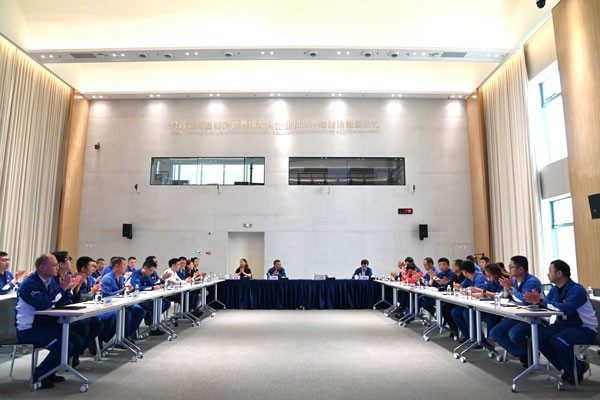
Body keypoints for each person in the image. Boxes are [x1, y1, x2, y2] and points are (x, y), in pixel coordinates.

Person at [524, 260, 598, 385]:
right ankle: (569, 367)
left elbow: (564, 309)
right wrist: (536, 301)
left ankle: (576, 368)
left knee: (557, 340)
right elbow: (548, 305)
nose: (547, 274)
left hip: (584, 328)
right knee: (538, 338)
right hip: (562, 325)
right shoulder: (555, 290)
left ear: (559, 274)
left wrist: (542, 301)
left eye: (550, 271)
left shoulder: (577, 290)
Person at [15, 253, 73, 389]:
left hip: (45, 324)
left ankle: (50, 372)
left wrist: (66, 290)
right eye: (54, 265)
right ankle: (39, 375)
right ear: (42, 267)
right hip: (29, 329)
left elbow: (59, 302)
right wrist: (61, 289)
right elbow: (43, 304)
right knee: (64, 345)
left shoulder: (50, 281)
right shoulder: (29, 284)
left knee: (76, 338)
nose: (57, 267)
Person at [489, 255, 542, 368]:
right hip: (516, 316)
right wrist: (505, 291)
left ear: (520, 269)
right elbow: (503, 296)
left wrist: (511, 288)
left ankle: (529, 354)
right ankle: (525, 353)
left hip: (530, 318)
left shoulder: (532, 281)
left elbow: (525, 300)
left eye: (511, 267)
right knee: (495, 333)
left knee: (514, 334)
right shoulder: (513, 280)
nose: (508, 270)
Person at [100, 256, 145, 342]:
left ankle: (127, 336)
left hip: (120, 303)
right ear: (117, 267)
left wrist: (128, 289)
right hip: (109, 306)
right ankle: (118, 339)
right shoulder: (107, 279)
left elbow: (121, 292)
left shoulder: (121, 278)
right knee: (126, 313)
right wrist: (121, 291)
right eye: (124, 265)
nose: (126, 267)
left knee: (140, 311)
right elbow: (105, 295)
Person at [127, 259, 171, 335]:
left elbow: (152, 284)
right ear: (145, 268)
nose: (152, 273)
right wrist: (153, 287)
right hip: (131, 300)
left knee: (166, 303)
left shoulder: (146, 275)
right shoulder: (136, 275)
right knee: (158, 304)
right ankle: (152, 324)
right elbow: (138, 287)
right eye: (151, 270)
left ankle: (153, 323)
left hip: (142, 298)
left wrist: (160, 282)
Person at [450, 260, 488, 342]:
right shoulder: (468, 279)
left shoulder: (479, 277)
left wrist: (467, 293)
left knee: (467, 313)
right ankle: (468, 336)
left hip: (483, 306)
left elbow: (481, 293)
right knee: (455, 312)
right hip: (473, 304)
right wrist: (459, 287)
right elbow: (461, 287)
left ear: (464, 272)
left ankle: (479, 339)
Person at [441, 259, 466, 338]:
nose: (452, 267)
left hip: (462, 301)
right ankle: (453, 328)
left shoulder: (463, 277)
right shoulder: (455, 276)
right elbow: (448, 286)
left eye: (453, 265)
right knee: (444, 307)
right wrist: (445, 283)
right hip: (455, 299)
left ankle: (459, 330)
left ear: (458, 267)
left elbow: (462, 288)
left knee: (450, 309)